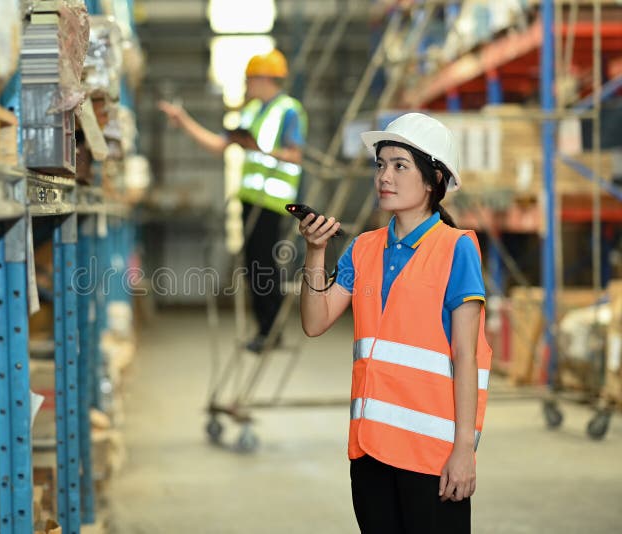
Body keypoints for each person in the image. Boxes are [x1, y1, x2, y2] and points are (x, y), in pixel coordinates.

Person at [297, 113, 492, 533]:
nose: (385, 175)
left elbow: (466, 356)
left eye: (400, 165)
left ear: (433, 180)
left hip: (431, 459)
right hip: (370, 453)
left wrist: (464, 451)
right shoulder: (363, 249)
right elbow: (315, 322)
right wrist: (315, 253)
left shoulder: (456, 250)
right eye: (380, 165)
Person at [159, 49, 308, 353]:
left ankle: (271, 330)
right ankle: (265, 330)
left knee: (265, 265)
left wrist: (258, 149)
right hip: (250, 198)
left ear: (265, 79)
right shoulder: (251, 112)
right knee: (254, 265)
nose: (247, 85)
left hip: (273, 201)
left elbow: (295, 154)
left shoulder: (289, 110)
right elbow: (219, 145)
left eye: (250, 79)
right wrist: (184, 121)